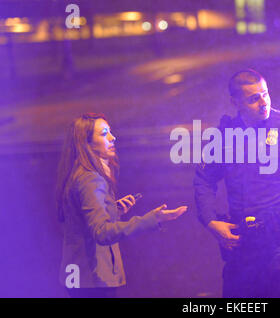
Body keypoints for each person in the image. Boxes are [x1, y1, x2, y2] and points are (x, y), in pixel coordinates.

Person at [194, 69, 280, 298]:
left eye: (265, 94)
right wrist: (210, 221)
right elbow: (203, 180)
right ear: (235, 102)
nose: (263, 103)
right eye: (253, 98)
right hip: (242, 251)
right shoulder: (225, 136)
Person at [56, 113, 187, 298]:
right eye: (104, 134)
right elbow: (101, 232)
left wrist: (113, 210)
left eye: (110, 132)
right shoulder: (90, 178)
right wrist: (152, 219)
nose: (112, 137)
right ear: (87, 143)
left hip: (80, 277)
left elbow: (80, 222)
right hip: (94, 279)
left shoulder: (79, 173)